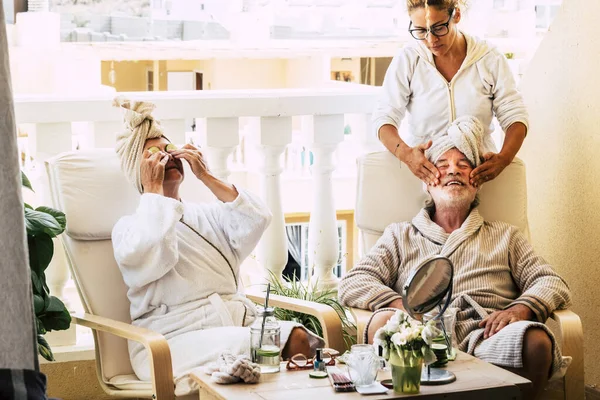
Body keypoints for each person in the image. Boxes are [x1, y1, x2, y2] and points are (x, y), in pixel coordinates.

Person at [339, 116, 571, 400]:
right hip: (421, 337)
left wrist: (519, 310)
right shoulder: (400, 236)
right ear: (427, 183)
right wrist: (402, 306)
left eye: (464, 166)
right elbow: (353, 282)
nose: (454, 172)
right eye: (443, 166)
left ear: (477, 184)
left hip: (487, 335)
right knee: (386, 323)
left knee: (537, 341)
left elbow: (551, 281)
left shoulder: (505, 236)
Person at [110, 97, 324, 395]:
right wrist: (154, 192)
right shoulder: (129, 228)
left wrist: (206, 175)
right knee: (279, 344)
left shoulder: (205, 215)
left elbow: (258, 218)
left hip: (232, 325)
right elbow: (153, 250)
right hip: (171, 342)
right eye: (154, 156)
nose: (167, 158)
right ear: (140, 171)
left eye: (169, 151)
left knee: (304, 340)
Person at [374, 0, 528, 188]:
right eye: (421, 31)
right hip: (427, 179)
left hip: (477, 179)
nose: (431, 40)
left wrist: (504, 158)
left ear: (456, 15)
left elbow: (515, 116)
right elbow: (384, 118)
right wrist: (407, 155)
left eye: (438, 28)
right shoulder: (408, 59)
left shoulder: (489, 58)